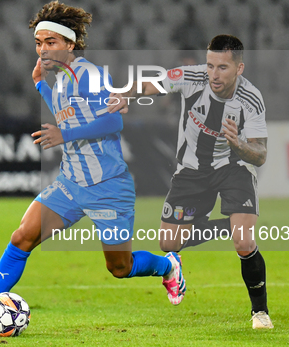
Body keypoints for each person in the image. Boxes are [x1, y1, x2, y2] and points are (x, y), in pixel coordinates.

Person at [0, 1, 186, 334]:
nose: (43, 49)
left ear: (70, 44)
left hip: (107, 187)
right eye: (39, 43)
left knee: (119, 268)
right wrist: (41, 86)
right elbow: (66, 114)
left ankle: (168, 266)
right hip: (71, 184)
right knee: (23, 236)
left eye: (51, 43)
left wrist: (65, 134)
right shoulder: (61, 79)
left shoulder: (89, 75)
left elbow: (113, 121)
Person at [108, 35, 273, 329]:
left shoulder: (251, 98)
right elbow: (151, 83)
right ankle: (231, 225)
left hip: (233, 168)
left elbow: (259, 154)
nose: (213, 74)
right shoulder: (192, 77)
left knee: (244, 242)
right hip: (191, 172)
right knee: (169, 243)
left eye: (222, 67)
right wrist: (126, 95)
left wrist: (239, 147)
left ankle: (260, 313)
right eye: (210, 65)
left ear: (239, 68)